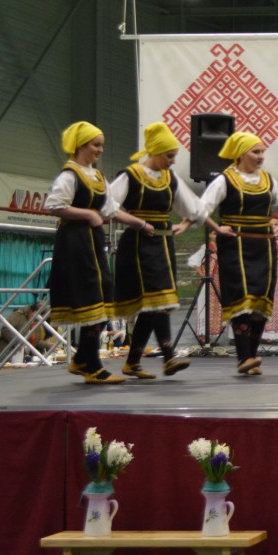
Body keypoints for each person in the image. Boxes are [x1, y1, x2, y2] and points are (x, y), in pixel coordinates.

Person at [200, 131, 278, 376]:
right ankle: (244, 357)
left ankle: (250, 356)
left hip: (263, 246)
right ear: (241, 154)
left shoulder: (268, 180)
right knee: (242, 299)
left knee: (260, 302)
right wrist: (216, 227)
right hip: (236, 247)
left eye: (262, 152)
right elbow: (201, 208)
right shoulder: (225, 180)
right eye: (256, 151)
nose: (261, 156)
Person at [103, 122, 205, 379]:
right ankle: (169, 356)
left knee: (155, 304)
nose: (172, 161)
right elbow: (106, 206)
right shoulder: (131, 175)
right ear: (156, 152)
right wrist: (137, 222)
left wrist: (184, 224)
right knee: (158, 300)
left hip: (162, 245)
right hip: (137, 246)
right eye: (169, 156)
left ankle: (132, 362)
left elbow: (194, 209)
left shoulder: (170, 179)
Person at [44, 122, 124, 384]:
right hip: (75, 243)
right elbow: (54, 206)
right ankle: (93, 366)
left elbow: (111, 210)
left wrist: (142, 223)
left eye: (101, 145)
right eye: (96, 145)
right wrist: (88, 214)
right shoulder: (70, 175)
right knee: (91, 296)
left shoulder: (98, 177)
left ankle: (81, 360)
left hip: (93, 242)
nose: (100, 150)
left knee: (104, 293)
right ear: (80, 145)